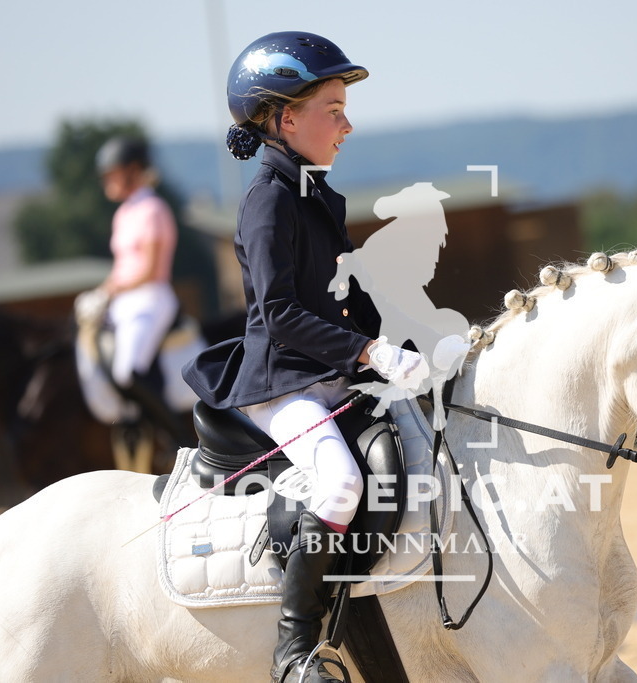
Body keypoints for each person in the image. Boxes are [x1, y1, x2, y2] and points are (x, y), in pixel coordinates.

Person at [181, 32, 427, 683]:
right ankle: (293, 653)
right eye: (334, 109)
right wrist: (370, 351)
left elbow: (348, 298)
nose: (348, 124)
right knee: (341, 483)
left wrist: (408, 348)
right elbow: (279, 315)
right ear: (287, 118)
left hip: (325, 374)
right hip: (281, 386)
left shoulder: (312, 192)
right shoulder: (268, 200)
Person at [80, 135, 185, 439]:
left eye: (113, 172)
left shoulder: (153, 209)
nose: (107, 180)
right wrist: (100, 292)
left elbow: (150, 270)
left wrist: (109, 292)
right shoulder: (124, 213)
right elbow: (121, 268)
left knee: (127, 372)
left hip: (150, 299)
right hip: (125, 301)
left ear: (134, 170)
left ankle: (177, 436)